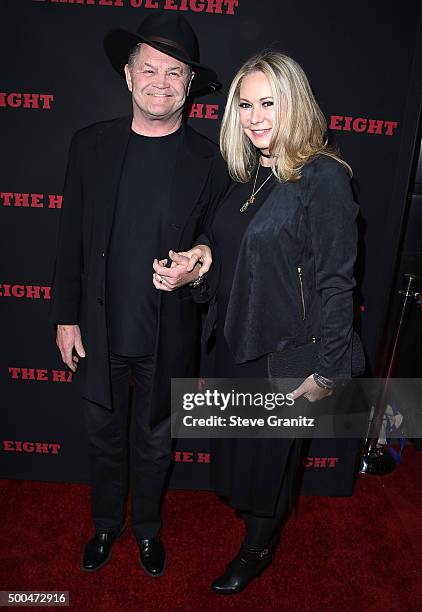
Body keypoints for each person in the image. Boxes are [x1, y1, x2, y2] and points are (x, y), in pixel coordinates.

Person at [154, 50, 359, 594]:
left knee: (269, 462)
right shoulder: (248, 174)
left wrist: (330, 371)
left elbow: (338, 283)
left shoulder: (323, 178)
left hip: (286, 353)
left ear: (296, 103)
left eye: (269, 102)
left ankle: (259, 547)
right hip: (236, 340)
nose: (255, 117)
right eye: (244, 104)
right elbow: (229, 248)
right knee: (244, 451)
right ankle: (256, 528)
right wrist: (200, 259)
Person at [50, 11, 228, 577]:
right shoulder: (90, 146)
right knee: (103, 440)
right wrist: (65, 316)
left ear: (190, 85)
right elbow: (70, 237)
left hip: (167, 333)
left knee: (156, 447)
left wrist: (198, 267)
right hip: (99, 328)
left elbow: (219, 243)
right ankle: (106, 524)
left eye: (173, 73)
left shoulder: (211, 162)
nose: (160, 82)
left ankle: (147, 530)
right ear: (128, 77)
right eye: (148, 69)